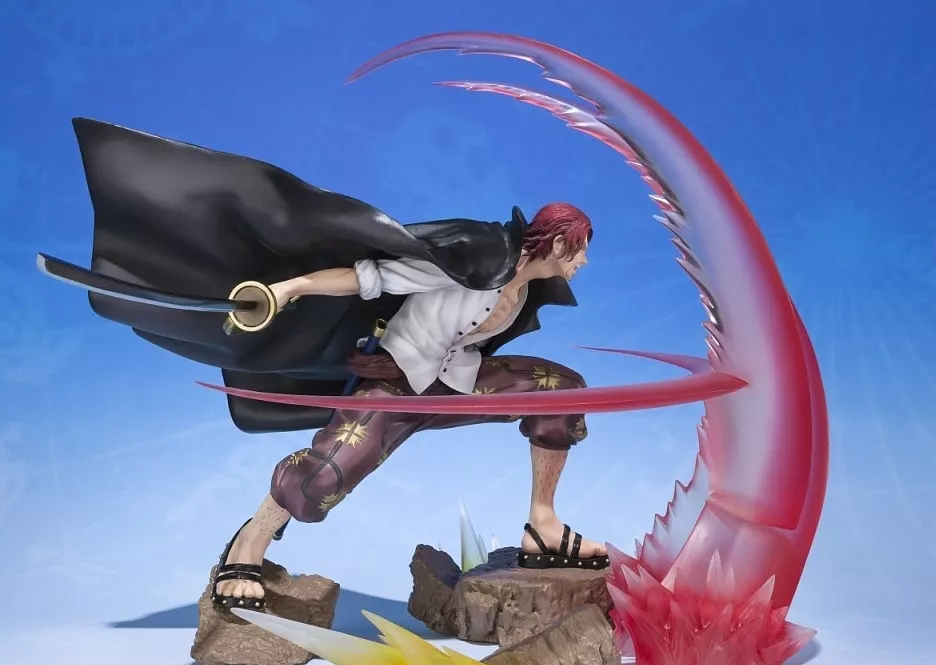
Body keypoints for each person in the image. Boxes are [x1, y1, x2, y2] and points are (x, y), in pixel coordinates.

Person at [56, 118, 609, 613]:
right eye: (579, 249)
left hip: (456, 387)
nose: (582, 261)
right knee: (322, 479)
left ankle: (543, 524)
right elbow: (369, 276)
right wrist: (290, 287)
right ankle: (249, 542)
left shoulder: (526, 287)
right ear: (557, 243)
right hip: (397, 389)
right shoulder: (473, 259)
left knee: (563, 390)